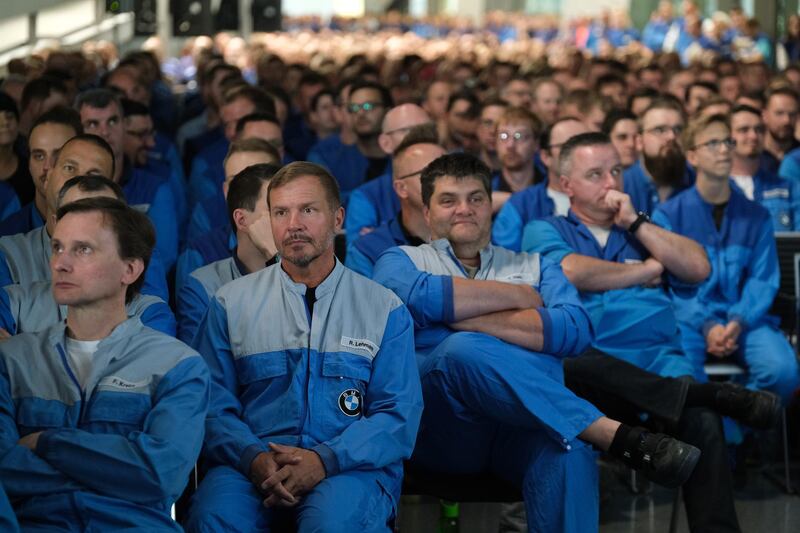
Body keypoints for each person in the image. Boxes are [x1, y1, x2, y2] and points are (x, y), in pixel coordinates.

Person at [373, 153, 701, 532]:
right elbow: (417, 297)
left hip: (520, 429)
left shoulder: (535, 264)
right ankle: (607, 431)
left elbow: (575, 330)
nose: (464, 209)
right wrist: (524, 299)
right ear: (427, 213)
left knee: (569, 450)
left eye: (476, 198)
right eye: (448, 200)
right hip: (445, 430)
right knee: (459, 351)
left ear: (489, 207)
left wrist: (459, 315)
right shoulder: (399, 260)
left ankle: (587, 431)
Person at [522, 132, 779, 532]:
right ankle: (700, 392)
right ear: (566, 184)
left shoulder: (647, 226)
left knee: (703, 422)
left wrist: (635, 222)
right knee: (570, 359)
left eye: (616, 171)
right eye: (595, 174)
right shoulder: (544, 229)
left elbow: (697, 267)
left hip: (658, 362)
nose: (610, 182)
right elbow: (572, 271)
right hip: (590, 374)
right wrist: (644, 271)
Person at [186, 161, 423, 531]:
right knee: (216, 517)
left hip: (349, 469)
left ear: (338, 219)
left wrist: (324, 459)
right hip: (251, 464)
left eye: (308, 210)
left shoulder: (384, 308)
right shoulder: (230, 303)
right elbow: (211, 406)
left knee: (332, 524)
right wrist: (253, 458)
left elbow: (397, 415)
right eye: (280, 212)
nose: (293, 224)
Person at [0, 197, 209, 531]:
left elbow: (159, 476)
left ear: (130, 268)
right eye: (57, 247)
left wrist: (46, 443)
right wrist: (115, 471)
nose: (59, 264)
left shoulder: (178, 365)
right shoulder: (11, 361)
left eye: (82, 249)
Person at [655, 113, 800, 403]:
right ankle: (717, 435)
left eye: (727, 142)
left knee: (782, 371)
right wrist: (708, 325)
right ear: (692, 156)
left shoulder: (756, 216)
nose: (724, 149)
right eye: (713, 143)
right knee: (682, 378)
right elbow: (671, 287)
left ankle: (738, 428)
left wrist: (736, 323)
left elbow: (762, 280)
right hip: (688, 321)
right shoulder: (668, 215)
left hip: (746, 319)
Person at [1, 175, 175, 337]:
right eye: (71, 216)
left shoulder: (151, 313)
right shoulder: (12, 302)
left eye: (100, 221)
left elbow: (149, 365)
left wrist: (17, 353)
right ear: (55, 226)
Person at [0, 134, 169, 301]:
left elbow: (154, 322)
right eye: (69, 168)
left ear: (110, 192)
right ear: (47, 177)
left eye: (94, 176)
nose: (78, 182)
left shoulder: (138, 254)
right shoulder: (6, 253)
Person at [176, 163, 280, 343]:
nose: (293, 222)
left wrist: (277, 262)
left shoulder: (312, 276)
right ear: (241, 220)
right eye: (278, 212)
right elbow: (204, 366)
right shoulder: (204, 287)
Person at [76, 89, 179, 269]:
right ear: (78, 131)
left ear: (124, 125)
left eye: (112, 121)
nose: (105, 132)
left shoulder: (155, 188)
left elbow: (164, 257)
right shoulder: (70, 189)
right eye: (92, 124)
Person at [347, 125, 443, 277]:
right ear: (401, 188)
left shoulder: (467, 238)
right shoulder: (368, 250)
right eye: (429, 173)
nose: (444, 181)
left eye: (447, 172)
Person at [343, 103, 431, 243]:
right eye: (409, 130)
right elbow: (363, 254)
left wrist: (382, 239)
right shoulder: (366, 197)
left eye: (427, 130)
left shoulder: (457, 183)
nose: (420, 137)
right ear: (385, 143)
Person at [0, 106, 82, 237]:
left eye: (59, 155)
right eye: (39, 156)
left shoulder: (106, 229)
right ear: (29, 164)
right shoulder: (6, 236)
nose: (47, 166)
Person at [308, 80, 392, 205]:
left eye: (368, 106)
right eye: (353, 108)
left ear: (387, 110)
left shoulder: (403, 156)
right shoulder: (328, 157)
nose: (361, 113)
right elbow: (322, 202)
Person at [730, 104, 800, 231]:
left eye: (759, 129)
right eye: (744, 130)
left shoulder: (789, 188)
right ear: (727, 137)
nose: (753, 136)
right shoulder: (717, 191)